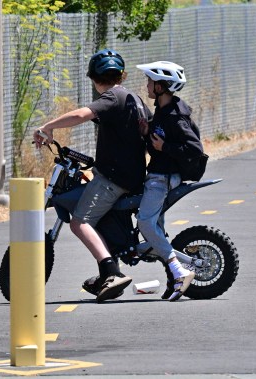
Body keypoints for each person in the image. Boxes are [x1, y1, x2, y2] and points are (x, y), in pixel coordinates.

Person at [33, 49, 151, 302]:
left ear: (94, 79)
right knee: (97, 216)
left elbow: (80, 115)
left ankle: (111, 270)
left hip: (113, 179)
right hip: (130, 175)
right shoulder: (134, 98)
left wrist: (47, 127)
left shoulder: (112, 97)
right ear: (122, 74)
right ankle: (106, 273)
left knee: (79, 222)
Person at [135, 61, 204, 301]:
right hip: (157, 175)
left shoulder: (175, 116)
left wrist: (165, 146)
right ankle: (173, 281)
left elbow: (194, 148)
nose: (147, 86)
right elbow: (156, 146)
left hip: (162, 178)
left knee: (145, 223)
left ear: (161, 86)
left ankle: (179, 270)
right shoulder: (163, 113)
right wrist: (147, 134)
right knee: (158, 231)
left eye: (150, 82)